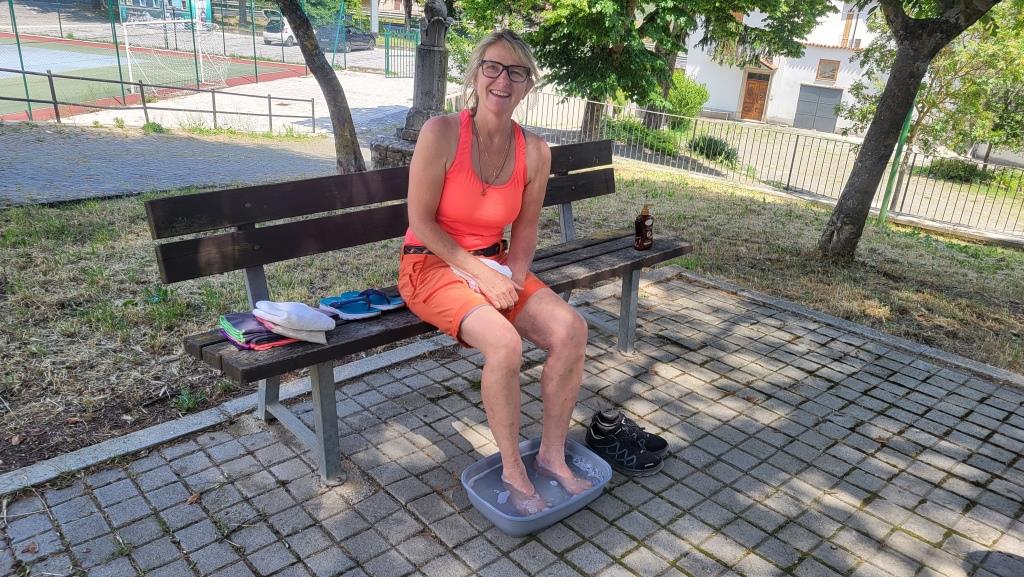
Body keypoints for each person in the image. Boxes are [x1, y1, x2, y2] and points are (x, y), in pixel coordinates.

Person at [398, 29, 591, 514]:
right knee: (505, 344)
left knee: (571, 329)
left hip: (497, 262)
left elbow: (525, 231)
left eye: (516, 72)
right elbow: (421, 221)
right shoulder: (441, 133)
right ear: (476, 74)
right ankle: (512, 470)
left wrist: (514, 280)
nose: (503, 80)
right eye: (493, 67)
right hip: (431, 264)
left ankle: (551, 456)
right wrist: (482, 277)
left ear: (528, 85)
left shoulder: (536, 151)